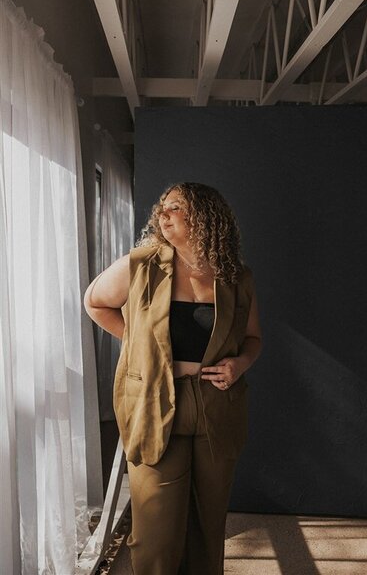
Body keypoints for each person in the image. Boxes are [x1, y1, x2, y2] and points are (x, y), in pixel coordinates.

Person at [84, 182, 262, 575]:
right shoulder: (141, 263)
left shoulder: (236, 277)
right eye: (162, 207)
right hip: (152, 401)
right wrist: (140, 345)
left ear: (204, 216)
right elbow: (94, 301)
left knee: (208, 524)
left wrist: (240, 365)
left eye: (175, 207)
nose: (163, 214)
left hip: (215, 405)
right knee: (155, 533)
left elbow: (252, 339)